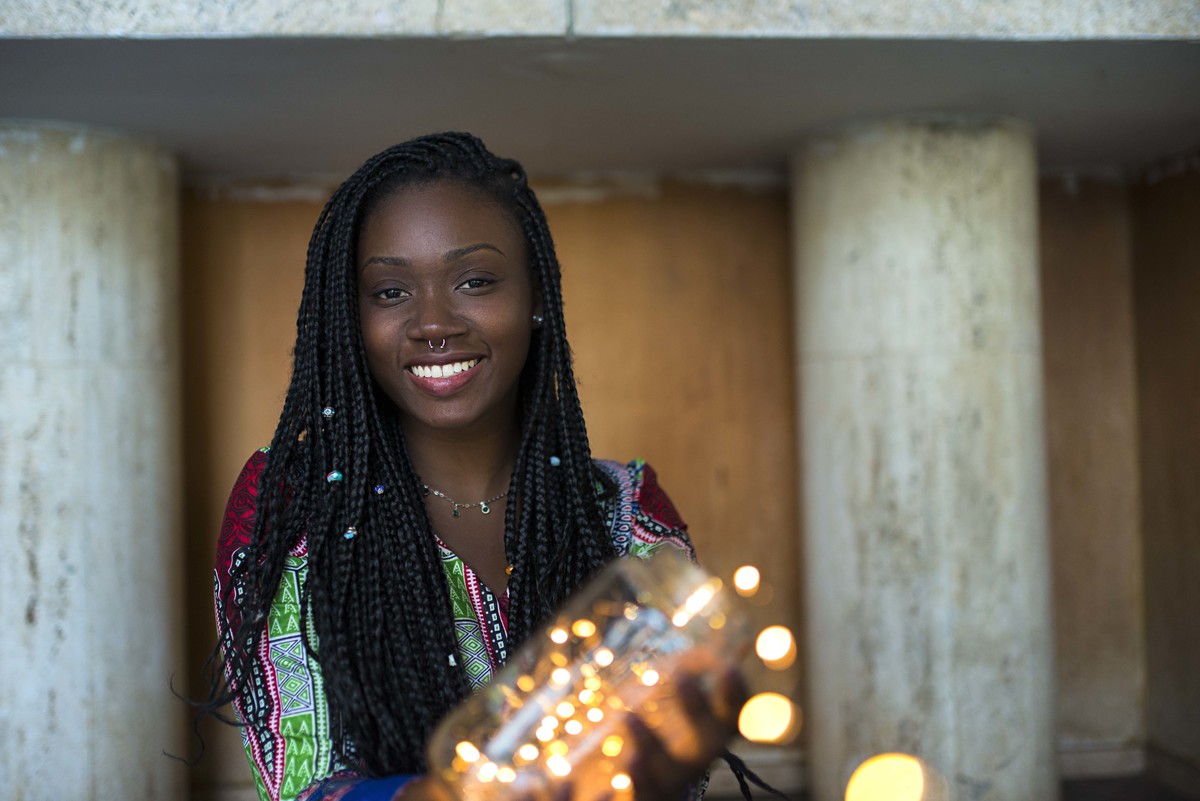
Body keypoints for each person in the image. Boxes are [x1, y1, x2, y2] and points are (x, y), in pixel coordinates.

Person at [205, 132, 747, 801]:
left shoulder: (625, 518)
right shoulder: (293, 512)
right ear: (351, 317)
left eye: (475, 281)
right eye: (390, 291)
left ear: (538, 296)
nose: (434, 321)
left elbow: (673, 770)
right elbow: (300, 787)